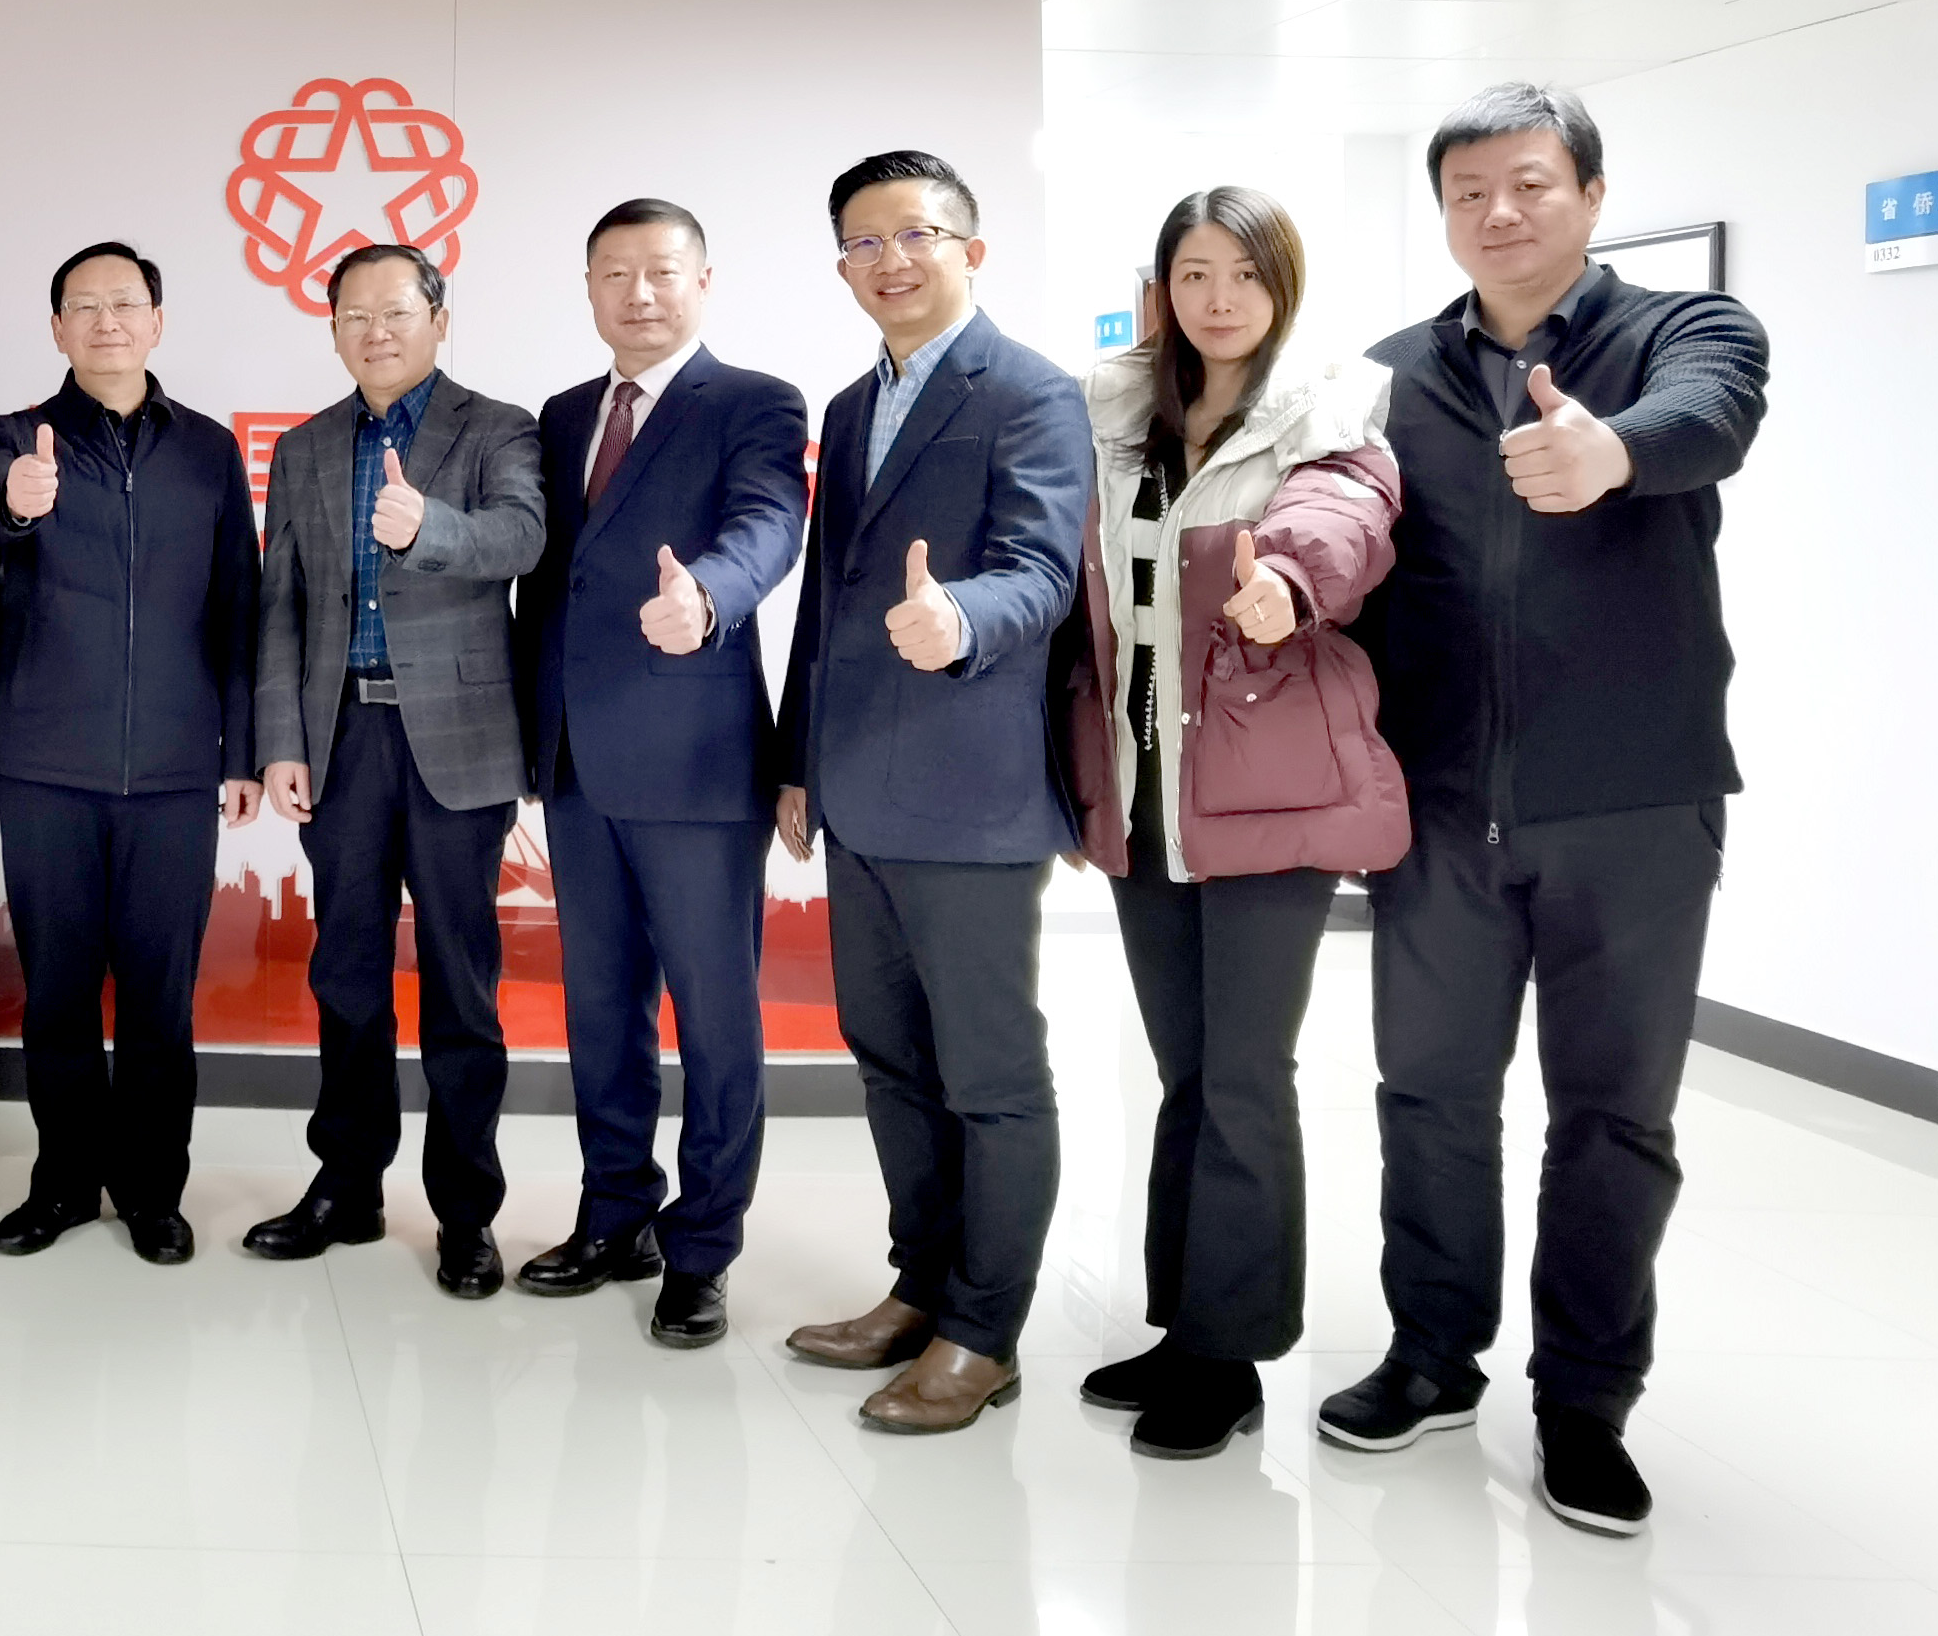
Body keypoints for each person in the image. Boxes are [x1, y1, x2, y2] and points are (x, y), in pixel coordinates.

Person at [1318, 84, 1770, 1538]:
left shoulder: (1686, 333)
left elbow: (1711, 418)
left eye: (1529, 184)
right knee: (1430, 1096)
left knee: (1614, 1117)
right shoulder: (1390, 377)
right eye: (1469, 193)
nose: (1499, 213)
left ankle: (1585, 1401)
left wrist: (1611, 453)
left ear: (1589, 193)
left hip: (1632, 807)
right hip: (1444, 808)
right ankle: (1432, 1354)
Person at [1057, 189, 1408, 1458]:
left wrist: (1291, 582)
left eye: (1245, 275)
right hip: (1146, 794)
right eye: (1193, 274)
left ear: (1283, 286)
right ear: (1160, 289)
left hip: (1268, 797)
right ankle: (1185, 1325)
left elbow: (1344, 522)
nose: (1219, 300)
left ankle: (1232, 1353)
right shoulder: (1111, 416)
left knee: (1246, 1076)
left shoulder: (1329, 410)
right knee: (1188, 1074)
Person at [772, 150, 1091, 1433]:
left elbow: (1043, 570)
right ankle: (920, 1287)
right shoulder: (855, 405)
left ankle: (983, 1330)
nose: (890, 261)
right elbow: (829, 599)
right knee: (891, 1056)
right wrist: (797, 756)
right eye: (864, 242)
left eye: (915, 235)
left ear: (971, 249)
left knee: (989, 1073)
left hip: (969, 794)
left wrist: (960, 618)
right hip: (859, 790)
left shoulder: (1031, 391)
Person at [508, 200, 810, 1347]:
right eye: (615, 273)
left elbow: (769, 526)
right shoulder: (563, 415)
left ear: (703, 282)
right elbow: (549, 583)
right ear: (589, 288)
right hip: (578, 762)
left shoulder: (754, 402)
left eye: (662, 272)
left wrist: (711, 596)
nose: (638, 293)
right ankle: (615, 1215)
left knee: (716, 1018)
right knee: (601, 1009)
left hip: (695, 764)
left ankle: (704, 1247)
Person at [245, 243, 545, 1299]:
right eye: (354, 317)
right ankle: (348, 1187)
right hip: (341, 741)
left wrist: (429, 528)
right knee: (347, 974)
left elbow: (522, 536)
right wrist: (280, 738)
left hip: (459, 746)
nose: (376, 332)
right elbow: (281, 599)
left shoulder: (497, 427)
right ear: (333, 330)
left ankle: (466, 1211)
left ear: (439, 319)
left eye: (397, 312)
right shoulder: (306, 447)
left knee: (462, 984)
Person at [0, 240, 262, 1267]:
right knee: (57, 992)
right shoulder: (13, 438)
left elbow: (240, 604)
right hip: (48, 764)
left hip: (175, 770)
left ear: (157, 321)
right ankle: (62, 1184)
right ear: (57, 329)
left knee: (159, 999)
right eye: (83, 306)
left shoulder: (209, 450)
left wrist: (242, 751)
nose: (106, 321)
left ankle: (152, 1191)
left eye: (124, 303)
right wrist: (15, 499)